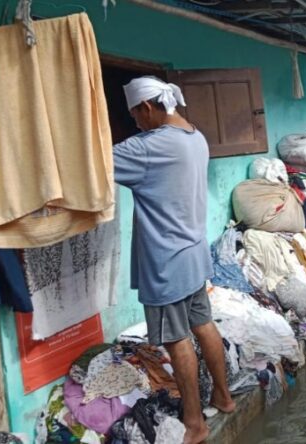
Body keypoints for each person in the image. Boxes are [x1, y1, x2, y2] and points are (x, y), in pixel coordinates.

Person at [113, 76, 236, 443]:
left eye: (135, 116)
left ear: (147, 108)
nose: (135, 123)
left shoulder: (147, 147)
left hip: (165, 263)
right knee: (203, 325)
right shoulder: (195, 138)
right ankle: (224, 396)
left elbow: (89, 163)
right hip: (194, 254)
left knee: (177, 339)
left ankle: (195, 423)